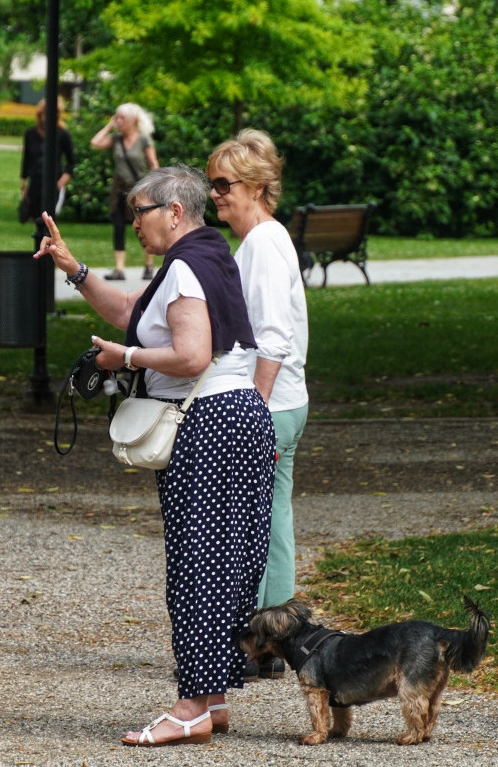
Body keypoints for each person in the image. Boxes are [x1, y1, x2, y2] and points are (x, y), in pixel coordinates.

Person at [34, 166, 275, 747]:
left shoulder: (187, 264)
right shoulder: (207, 253)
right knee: (225, 566)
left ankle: (190, 707)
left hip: (211, 424)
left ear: (172, 211)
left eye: (138, 212)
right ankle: (211, 700)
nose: (132, 223)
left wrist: (129, 360)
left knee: (198, 568)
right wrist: (77, 271)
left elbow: (190, 354)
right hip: (240, 420)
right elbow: (130, 313)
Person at [207, 130, 309, 680]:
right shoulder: (258, 242)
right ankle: (270, 640)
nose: (215, 194)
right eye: (212, 184)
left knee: (260, 528)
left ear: (256, 186)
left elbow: (272, 337)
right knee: (269, 523)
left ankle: (265, 643)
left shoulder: (265, 244)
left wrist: (255, 412)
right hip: (277, 402)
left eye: (223, 185)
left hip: (271, 404)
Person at [89, 102, 159, 281]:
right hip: (119, 190)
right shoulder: (116, 139)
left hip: (139, 190)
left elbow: (153, 164)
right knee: (118, 228)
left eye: (122, 118)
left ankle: (149, 265)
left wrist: (152, 187)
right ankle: (119, 269)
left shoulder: (144, 139)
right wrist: (110, 126)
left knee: (142, 228)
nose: (119, 121)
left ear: (133, 120)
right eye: (117, 117)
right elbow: (95, 142)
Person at [20, 97, 75, 221]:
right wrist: (23, 183)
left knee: (49, 219)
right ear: (40, 114)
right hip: (35, 181)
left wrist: (61, 183)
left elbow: (71, 162)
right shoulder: (30, 134)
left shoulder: (63, 135)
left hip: (53, 182)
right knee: (35, 218)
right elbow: (26, 159)